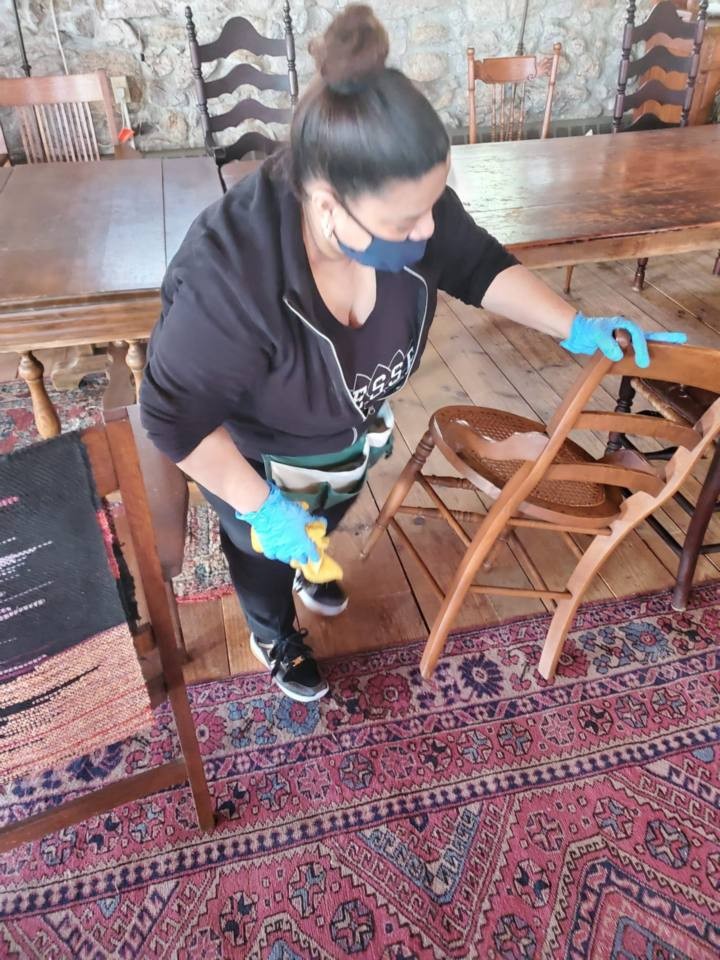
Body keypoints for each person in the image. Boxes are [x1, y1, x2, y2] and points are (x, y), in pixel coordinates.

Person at [140, 5, 686, 703]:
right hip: (256, 451)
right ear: (327, 205)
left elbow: (476, 263)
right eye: (406, 221)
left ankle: (309, 556)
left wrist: (574, 325)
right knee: (260, 550)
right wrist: (262, 506)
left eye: (433, 204)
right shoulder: (231, 276)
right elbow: (174, 419)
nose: (428, 228)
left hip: (345, 428)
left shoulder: (410, 207)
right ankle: (273, 631)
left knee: (328, 507)